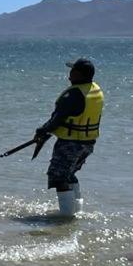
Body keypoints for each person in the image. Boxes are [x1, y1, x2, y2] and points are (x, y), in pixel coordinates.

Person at [33, 58, 103, 217]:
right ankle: (77, 212)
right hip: (88, 143)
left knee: (58, 177)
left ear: (78, 74)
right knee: (69, 174)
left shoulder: (73, 94)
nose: (69, 74)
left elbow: (57, 119)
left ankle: (66, 217)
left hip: (71, 143)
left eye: (72, 71)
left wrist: (42, 131)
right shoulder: (93, 89)